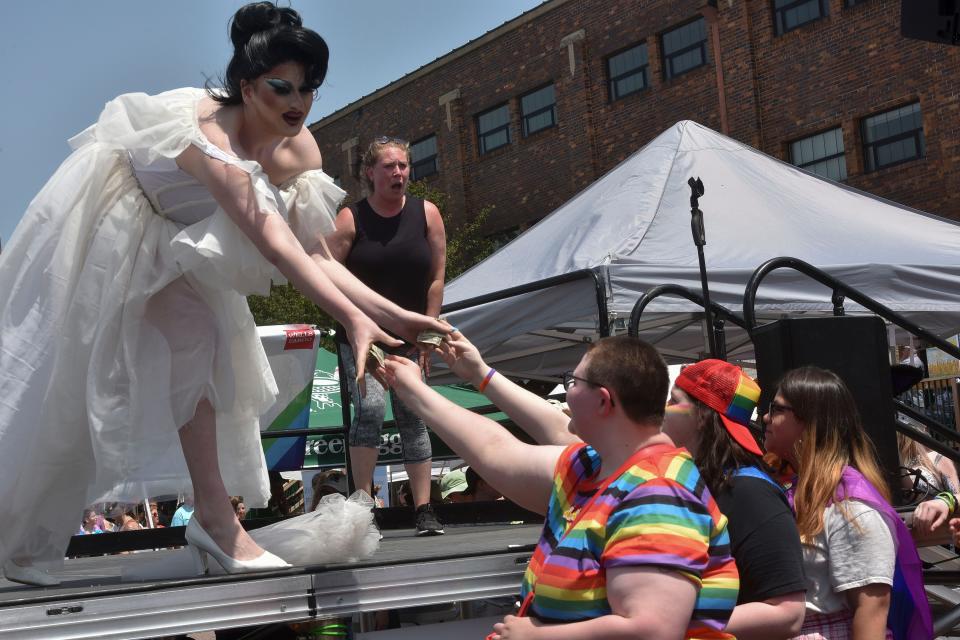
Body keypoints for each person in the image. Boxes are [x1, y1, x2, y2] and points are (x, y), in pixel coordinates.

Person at [0, 2, 445, 587]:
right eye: (280, 88)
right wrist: (351, 317)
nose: (297, 102)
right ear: (246, 85)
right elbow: (270, 241)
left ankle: (214, 519)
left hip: (182, 245)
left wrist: (391, 314)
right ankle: (42, 528)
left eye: (308, 89)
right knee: (56, 376)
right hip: (120, 221)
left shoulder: (299, 152)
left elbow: (311, 250)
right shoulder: (206, 136)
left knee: (205, 350)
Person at [385, 335, 739, 639]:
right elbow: (498, 451)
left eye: (574, 381)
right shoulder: (594, 466)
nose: (567, 391)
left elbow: (654, 629)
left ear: (603, 400)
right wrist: (423, 386)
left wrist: (538, 635)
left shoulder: (660, 494)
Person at [327, 137, 447, 537]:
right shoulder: (350, 218)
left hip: (412, 336)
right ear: (370, 173)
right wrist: (350, 322)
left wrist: (429, 331)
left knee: (415, 414)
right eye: (389, 166)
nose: (398, 173)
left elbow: (437, 277)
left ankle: (424, 509)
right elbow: (321, 273)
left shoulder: (427, 213)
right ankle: (364, 508)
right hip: (365, 339)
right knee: (372, 411)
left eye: (403, 166)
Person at [762, 366, 931, 640]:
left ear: (810, 423)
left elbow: (872, 609)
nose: (766, 416)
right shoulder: (803, 492)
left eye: (777, 409)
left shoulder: (851, 506)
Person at [662, 360, 806, 639]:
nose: (664, 410)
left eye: (674, 400)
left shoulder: (750, 493)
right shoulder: (695, 480)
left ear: (702, 416)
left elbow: (787, 613)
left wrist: (673, 624)